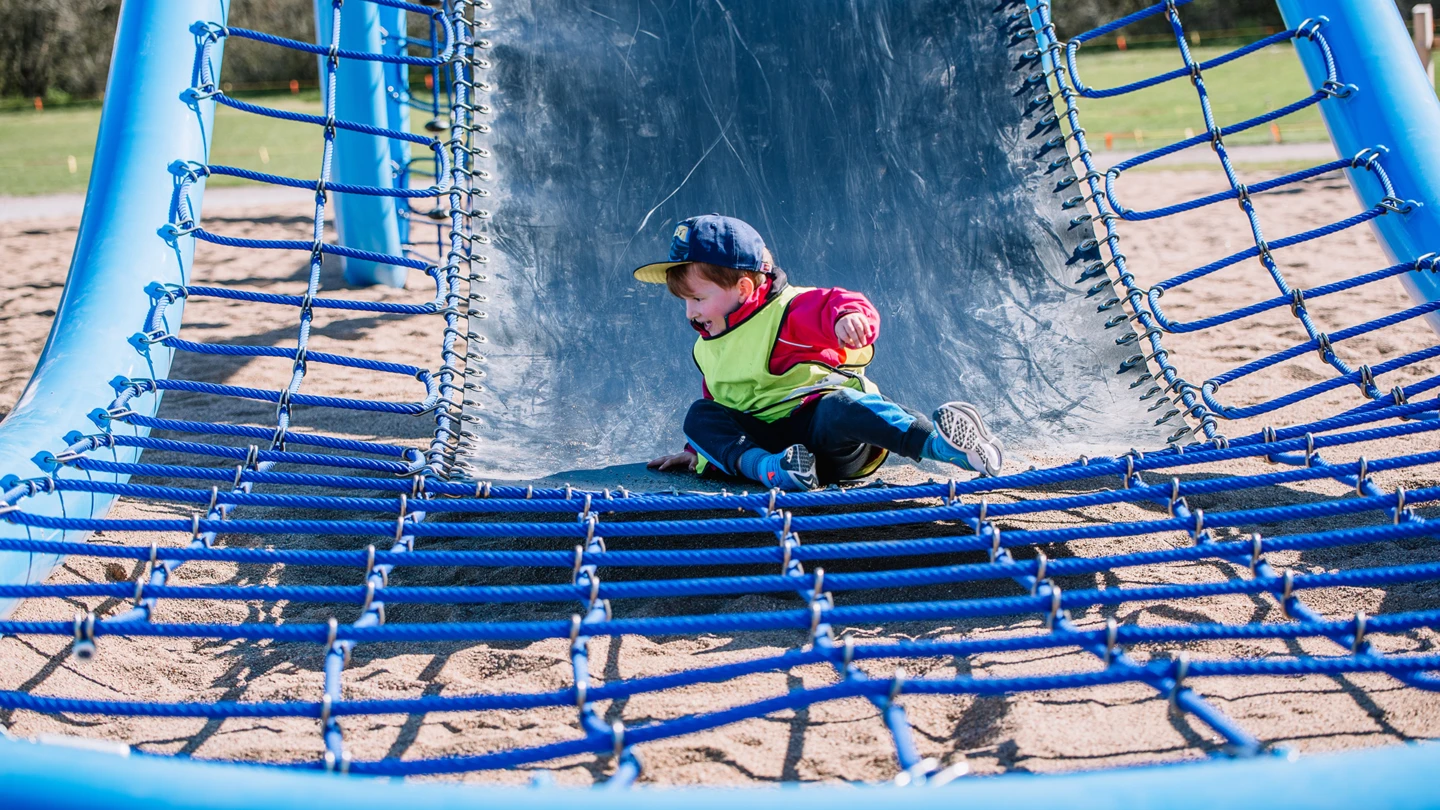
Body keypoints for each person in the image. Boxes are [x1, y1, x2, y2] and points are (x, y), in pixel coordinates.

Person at [636, 213, 1004, 491]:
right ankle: (774, 470)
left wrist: (850, 319)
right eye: (686, 301)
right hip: (776, 448)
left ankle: (950, 449)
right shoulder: (707, 346)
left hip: (833, 442)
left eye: (698, 299)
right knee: (700, 415)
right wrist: (700, 451)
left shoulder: (789, 312)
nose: (691, 312)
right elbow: (722, 405)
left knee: (842, 406)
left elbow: (835, 302)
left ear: (745, 288)